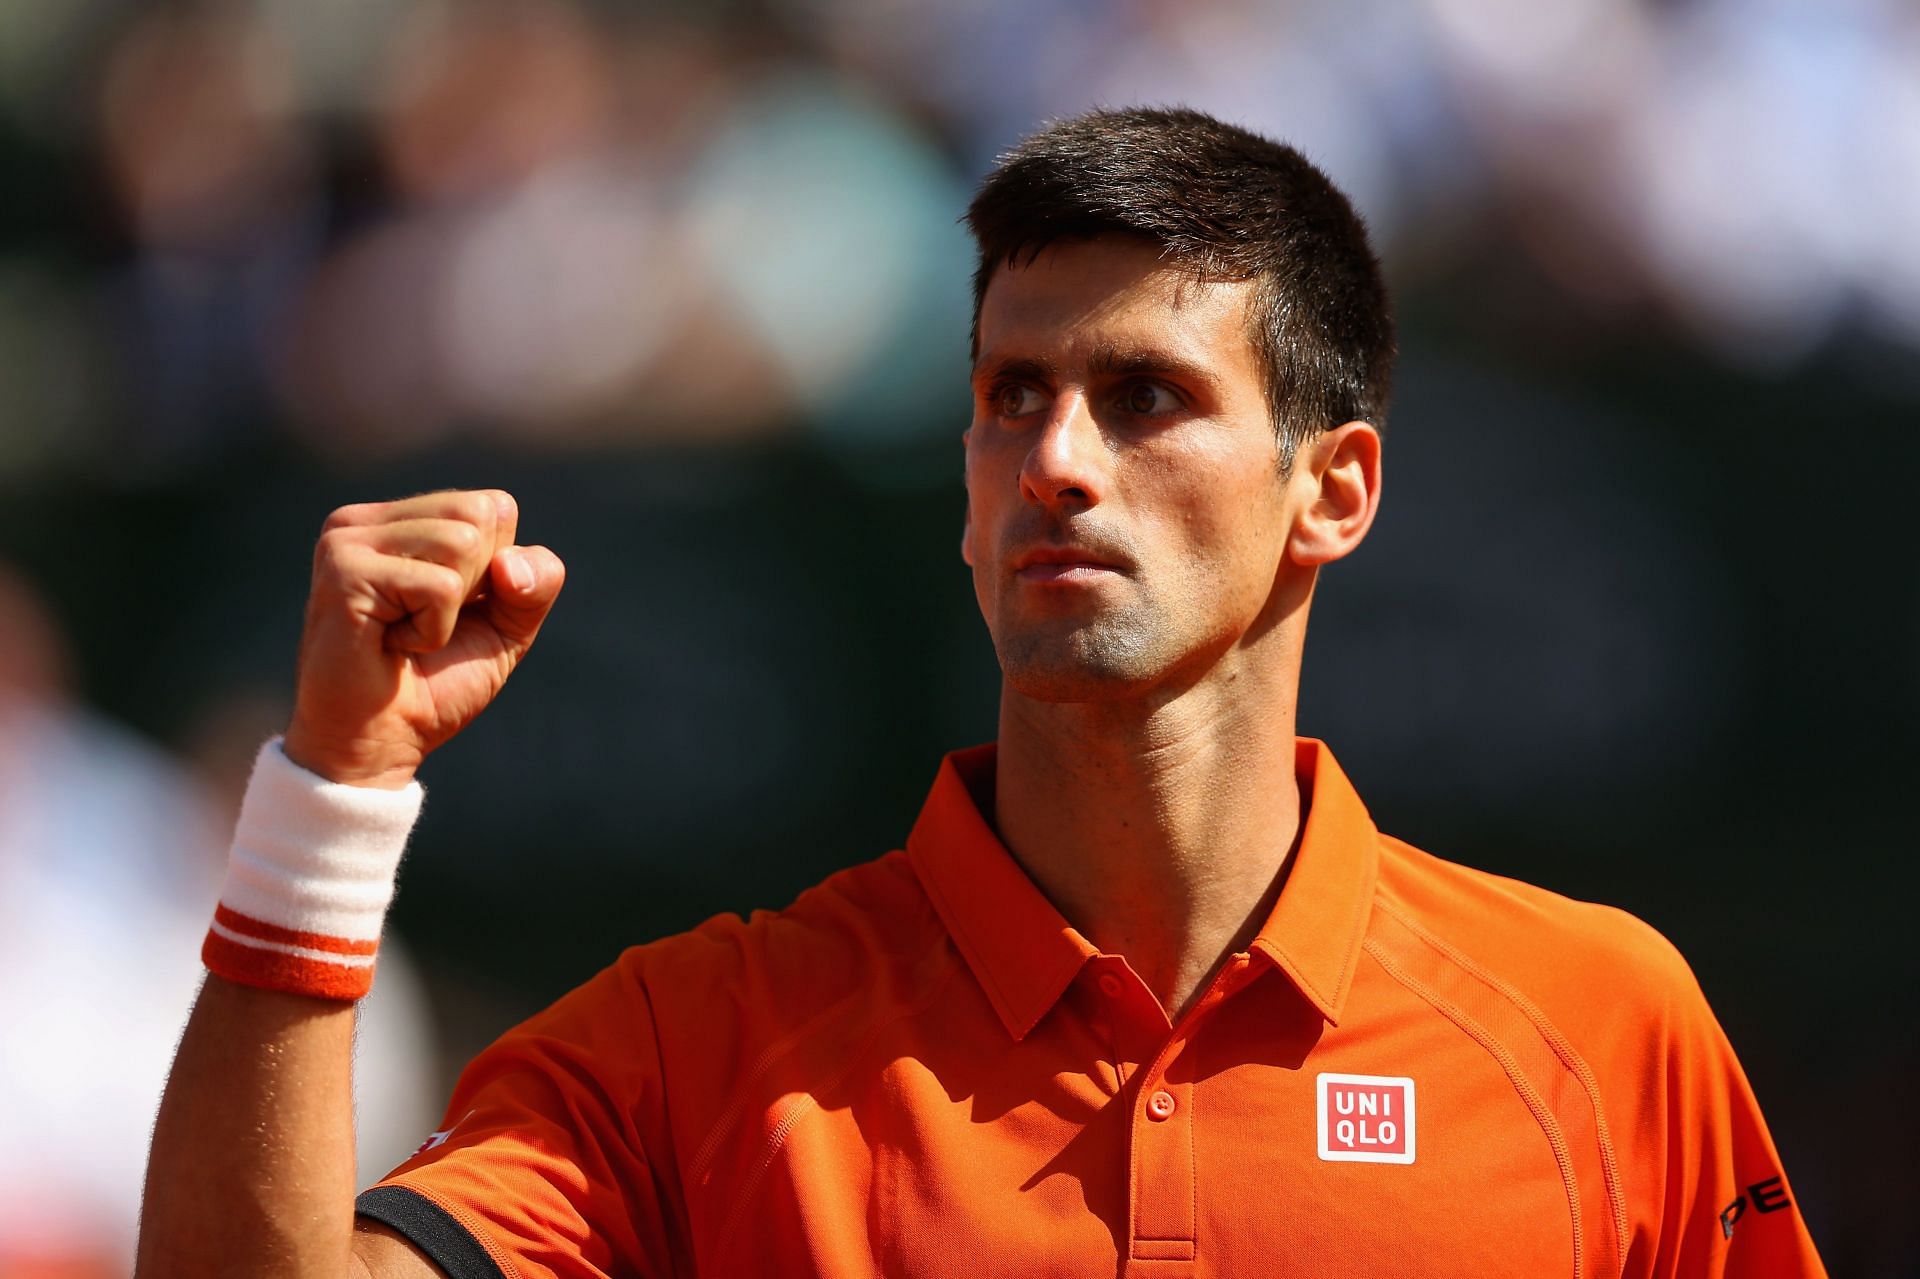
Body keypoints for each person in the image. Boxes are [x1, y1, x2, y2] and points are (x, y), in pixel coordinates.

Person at [135, 107, 1825, 1277]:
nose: (1060, 462)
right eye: (1014, 396)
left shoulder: (1606, 1026)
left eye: (1147, 395)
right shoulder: (699, 1048)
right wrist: (332, 798)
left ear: (1337, 491)